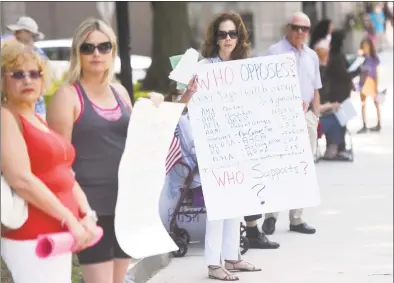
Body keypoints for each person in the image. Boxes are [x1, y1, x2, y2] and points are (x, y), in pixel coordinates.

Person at [46, 19, 164, 283]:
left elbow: (139, 143)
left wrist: (156, 111)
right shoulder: (68, 96)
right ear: (78, 52)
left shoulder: (120, 92)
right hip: (91, 208)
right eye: (88, 47)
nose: (96, 53)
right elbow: (57, 164)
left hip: (126, 206)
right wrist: (79, 214)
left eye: (104, 46)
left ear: (113, 51)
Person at [1, 40, 97, 283]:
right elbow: (20, 179)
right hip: (31, 232)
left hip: (59, 231)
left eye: (35, 73)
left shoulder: (36, 119)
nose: (27, 80)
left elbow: (66, 174)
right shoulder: (5, 117)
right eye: (17, 74)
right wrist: (69, 217)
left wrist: (85, 213)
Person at [178, 11, 261, 281]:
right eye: (223, 34)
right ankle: (214, 263)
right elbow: (182, 103)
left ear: (240, 37)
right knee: (218, 204)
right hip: (212, 144)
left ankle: (232, 256)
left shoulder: (243, 65)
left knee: (236, 201)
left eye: (232, 34)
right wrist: (187, 93)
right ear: (215, 37)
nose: (228, 39)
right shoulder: (201, 65)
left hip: (238, 143)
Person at [261, 12, 319, 236]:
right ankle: (271, 217)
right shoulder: (275, 52)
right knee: (278, 167)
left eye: (304, 29)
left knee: (304, 169)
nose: (300, 32)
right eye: (296, 28)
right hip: (281, 118)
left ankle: (297, 218)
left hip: (306, 117)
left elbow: (315, 88)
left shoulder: (312, 56)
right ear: (288, 28)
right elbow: (265, 87)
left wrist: (315, 116)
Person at [323, 29, 360, 160]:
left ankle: (340, 147)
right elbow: (344, 75)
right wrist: (356, 71)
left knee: (343, 121)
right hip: (339, 94)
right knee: (341, 122)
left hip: (342, 92)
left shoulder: (337, 54)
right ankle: (340, 148)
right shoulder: (337, 56)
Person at [2, 16, 49, 119]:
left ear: (29, 33)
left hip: (37, 111)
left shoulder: (40, 56)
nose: (15, 34)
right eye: (18, 74)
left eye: (34, 74)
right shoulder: (11, 55)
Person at [357, 37, 381, 134]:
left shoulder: (374, 58)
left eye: (367, 46)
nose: (366, 48)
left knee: (376, 103)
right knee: (363, 104)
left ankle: (379, 123)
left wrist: (376, 85)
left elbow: (376, 72)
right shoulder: (361, 58)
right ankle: (364, 124)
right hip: (363, 83)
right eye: (364, 46)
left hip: (371, 82)